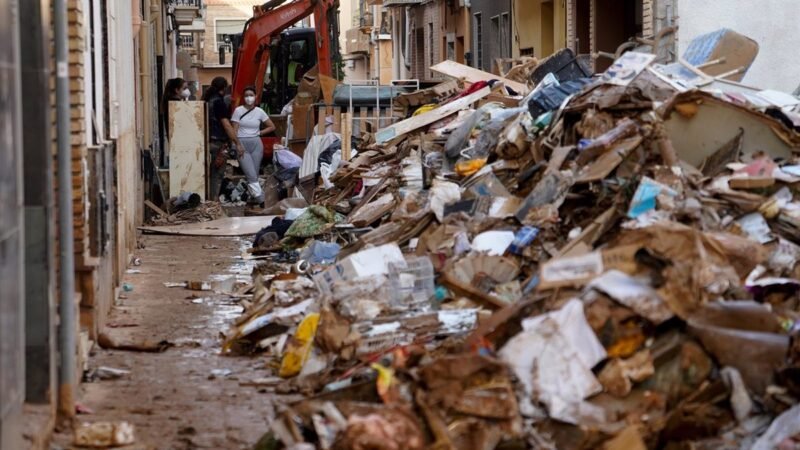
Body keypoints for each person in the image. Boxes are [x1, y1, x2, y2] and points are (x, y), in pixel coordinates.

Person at [231, 86, 276, 205]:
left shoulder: (260, 112)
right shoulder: (238, 111)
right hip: (242, 143)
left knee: (254, 174)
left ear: (255, 97)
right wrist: (237, 145)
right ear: (243, 98)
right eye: (246, 95)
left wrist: (260, 132)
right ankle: (262, 201)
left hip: (256, 143)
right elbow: (234, 130)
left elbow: (272, 126)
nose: (249, 98)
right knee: (250, 175)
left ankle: (252, 199)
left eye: (251, 95)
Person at [203, 76, 239, 200]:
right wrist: (237, 142)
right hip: (218, 143)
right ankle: (213, 202)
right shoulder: (219, 102)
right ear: (224, 88)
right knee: (217, 175)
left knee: (208, 174)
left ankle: (208, 200)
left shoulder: (207, 101)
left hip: (207, 141)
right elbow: (227, 125)